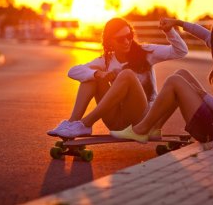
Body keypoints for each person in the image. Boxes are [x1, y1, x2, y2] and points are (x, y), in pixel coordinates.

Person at [110, 18, 213, 143]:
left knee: (175, 81)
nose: (211, 42)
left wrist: (202, 94)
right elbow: (202, 33)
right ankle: (154, 129)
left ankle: (140, 130)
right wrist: (177, 23)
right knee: (182, 74)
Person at [47, 17, 189, 138]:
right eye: (121, 39)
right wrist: (99, 74)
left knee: (126, 74)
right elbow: (73, 71)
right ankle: (73, 123)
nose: (127, 41)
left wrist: (169, 31)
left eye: (129, 36)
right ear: (109, 42)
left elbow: (181, 51)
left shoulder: (145, 52)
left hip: (143, 119)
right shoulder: (106, 60)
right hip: (117, 121)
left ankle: (85, 123)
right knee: (91, 77)